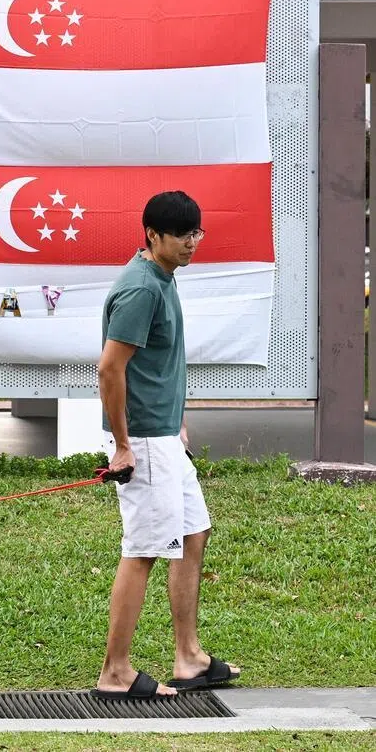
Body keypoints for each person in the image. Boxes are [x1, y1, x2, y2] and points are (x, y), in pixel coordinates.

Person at [93, 192, 240, 701]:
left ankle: (188, 657)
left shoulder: (162, 276)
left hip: (164, 436)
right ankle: (115, 672)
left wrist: (176, 421)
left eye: (197, 233)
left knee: (193, 532)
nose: (192, 243)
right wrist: (123, 446)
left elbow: (155, 364)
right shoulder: (140, 290)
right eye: (182, 235)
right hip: (144, 443)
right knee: (144, 551)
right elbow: (110, 369)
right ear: (152, 235)